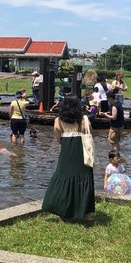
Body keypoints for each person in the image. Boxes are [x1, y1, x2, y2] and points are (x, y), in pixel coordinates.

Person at [42, 94, 95, 222]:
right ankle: (87, 214)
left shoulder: (58, 121)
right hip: (82, 152)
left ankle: (63, 212)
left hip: (66, 152)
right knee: (85, 178)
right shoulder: (84, 120)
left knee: (63, 179)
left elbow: (58, 139)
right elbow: (90, 134)